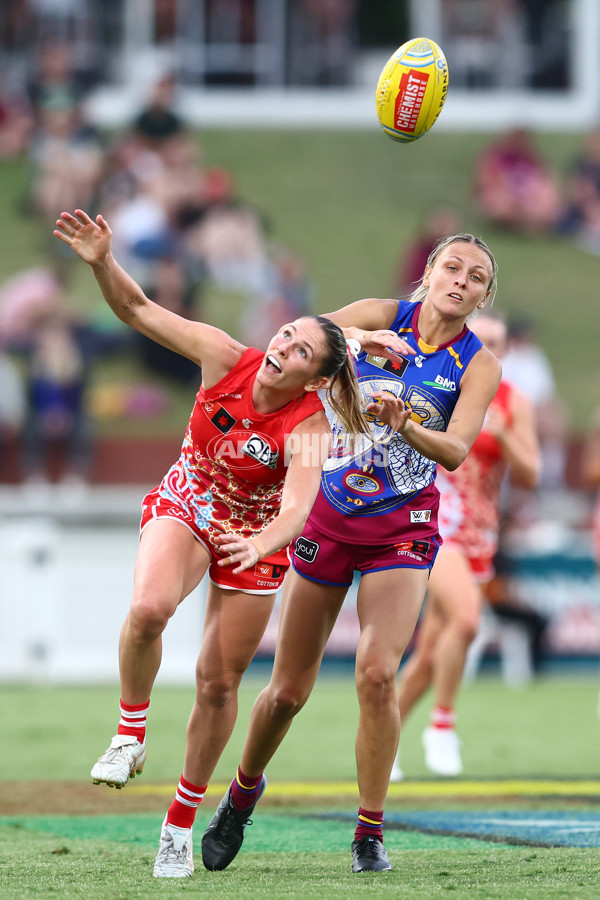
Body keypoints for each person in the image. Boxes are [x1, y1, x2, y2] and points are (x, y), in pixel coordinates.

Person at [52, 208, 407, 880]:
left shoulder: (309, 424)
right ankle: (130, 734)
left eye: (301, 350)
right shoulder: (224, 356)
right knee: (150, 608)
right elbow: (136, 309)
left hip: (257, 537)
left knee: (218, 686)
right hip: (189, 500)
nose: (282, 348)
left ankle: (180, 825)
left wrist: (262, 542)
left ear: (313, 379)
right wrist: (102, 260)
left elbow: (299, 507)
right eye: (284, 335)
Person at [199, 233, 502, 876]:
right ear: (429, 272)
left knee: (377, 674)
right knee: (287, 691)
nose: (460, 280)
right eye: (452, 267)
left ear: (482, 296)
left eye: (475, 277)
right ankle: (240, 797)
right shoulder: (376, 314)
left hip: (402, 525)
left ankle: (369, 831)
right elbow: (307, 341)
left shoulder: (479, 364)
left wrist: (404, 424)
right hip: (327, 515)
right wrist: (364, 343)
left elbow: (454, 452)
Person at [391, 311, 540, 780]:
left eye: (498, 342)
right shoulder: (441, 387)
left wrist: (503, 436)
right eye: (483, 339)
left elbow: (531, 474)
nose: (490, 348)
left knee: (434, 650)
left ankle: (382, 734)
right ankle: (442, 725)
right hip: (435, 518)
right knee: (469, 620)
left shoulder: (513, 402)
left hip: (481, 530)